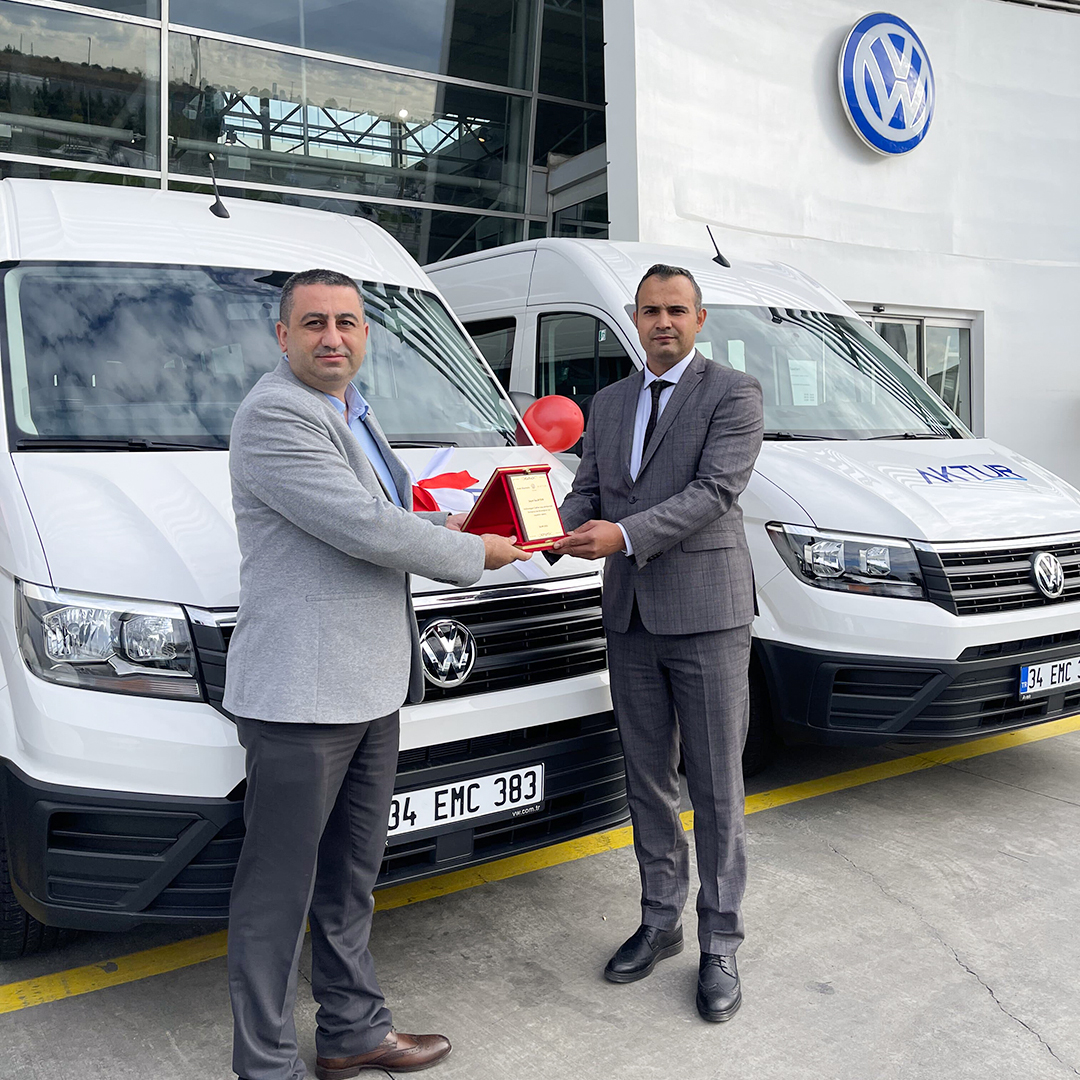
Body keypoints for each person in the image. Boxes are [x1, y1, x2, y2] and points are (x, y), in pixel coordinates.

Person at [223, 268, 529, 1080]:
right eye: (314, 323)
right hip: (301, 696)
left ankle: (353, 1032)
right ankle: (264, 1066)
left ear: (366, 335)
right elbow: (360, 526)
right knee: (277, 893)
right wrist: (472, 552)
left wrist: (456, 521)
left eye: (348, 323)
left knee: (350, 879)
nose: (333, 337)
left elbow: (388, 513)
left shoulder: (352, 411)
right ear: (282, 336)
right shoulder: (276, 414)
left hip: (368, 685)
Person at [551, 263, 764, 1022]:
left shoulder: (733, 393)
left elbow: (715, 492)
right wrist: (542, 530)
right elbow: (589, 488)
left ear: (699, 320)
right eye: (650, 311)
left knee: (715, 787)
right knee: (647, 781)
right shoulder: (609, 402)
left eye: (677, 310)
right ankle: (660, 919)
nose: (663, 322)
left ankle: (721, 942)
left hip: (707, 614)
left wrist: (623, 535)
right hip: (631, 618)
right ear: (634, 319)